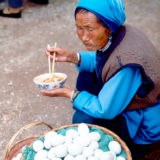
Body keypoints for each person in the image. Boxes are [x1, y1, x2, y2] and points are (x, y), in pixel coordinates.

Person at [41, 0, 160, 159]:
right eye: (79, 28)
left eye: (90, 29)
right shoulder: (122, 33)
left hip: (145, 129)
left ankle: (141, 150)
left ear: (108, 28)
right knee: (86, 75)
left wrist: (69, 93)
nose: (84, 37)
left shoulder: (127, 65)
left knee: (83, 119)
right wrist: (73, 57)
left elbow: (105, 110)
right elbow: (103, 59)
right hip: (130, 103)